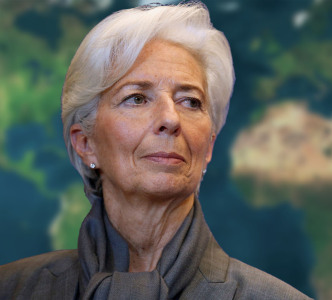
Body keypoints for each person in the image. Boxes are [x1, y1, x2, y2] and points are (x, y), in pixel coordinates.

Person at [0, 3, 310, 299]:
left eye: (191, 101)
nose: (170, 119)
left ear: (209, 147)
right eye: (137, 98)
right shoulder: (11, 289)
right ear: (85, 143)